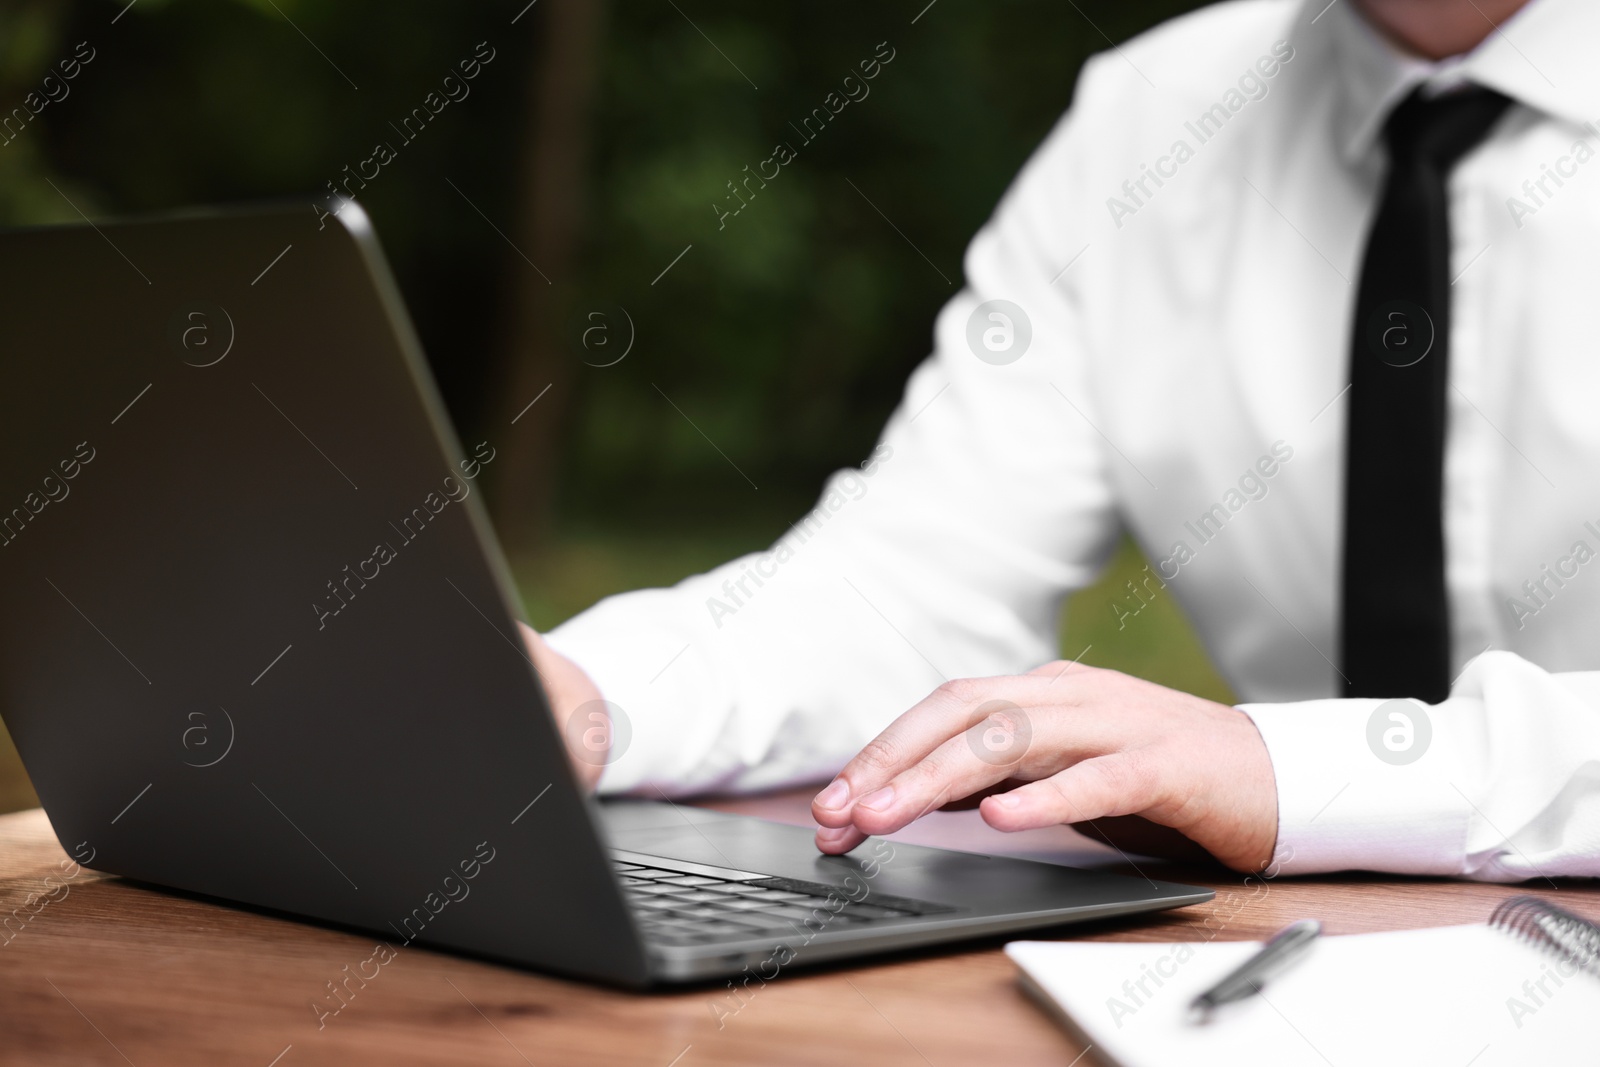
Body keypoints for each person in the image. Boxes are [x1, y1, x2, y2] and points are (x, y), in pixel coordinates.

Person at [524, 0, 1600, 883]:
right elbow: (918, 581)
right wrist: (588, 693)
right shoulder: (1152, 119)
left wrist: (1292, 770)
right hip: (1270, 968)